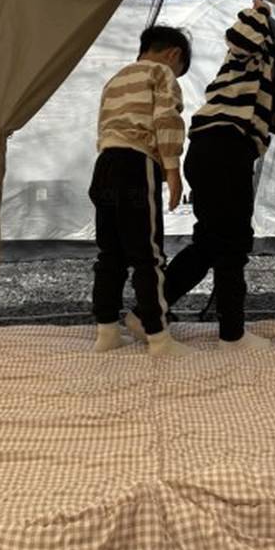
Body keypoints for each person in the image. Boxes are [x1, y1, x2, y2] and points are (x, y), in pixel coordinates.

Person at [126, 0, 275, 351]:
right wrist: (260, 12)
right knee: (233, 244)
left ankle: (147, 313)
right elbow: (239, 37)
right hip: (222, 148)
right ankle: (232, 334)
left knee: (211, 243)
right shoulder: (255, 57)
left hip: (218, 155)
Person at [89, 24, 192, 357]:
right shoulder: (161, 73)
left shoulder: (115, 80)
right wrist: (172, 170)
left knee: (110, 254)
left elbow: (104, 127)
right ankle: (158, 338)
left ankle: (107, 331)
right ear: (174, 54)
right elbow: (167, 119)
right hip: (135, 164)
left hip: (104, 165)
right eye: (180, 69)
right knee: (148, 255)